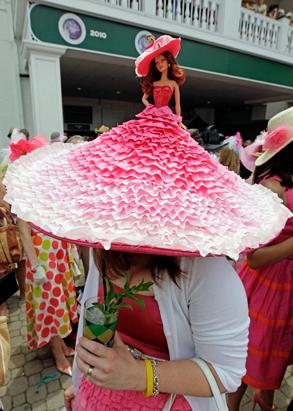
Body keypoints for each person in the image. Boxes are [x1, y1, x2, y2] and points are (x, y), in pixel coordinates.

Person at [3, 35, 291, 411]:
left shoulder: (204, 270)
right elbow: (94, 328)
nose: (135, 207)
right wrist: (81, 383)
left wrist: (140, 376)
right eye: (126, 191)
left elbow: (226, 371)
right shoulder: (106, 241)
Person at [228, 106, 293, 411]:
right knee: (248, 359)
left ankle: (264, 396)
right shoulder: (271, 187)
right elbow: (254, 258)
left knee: (276, 351)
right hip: (268, 286)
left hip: (286, 286)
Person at [9, 136, 78, 376]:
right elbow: (24, 231)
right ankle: (57, 352)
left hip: (57, 258)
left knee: (60, 303)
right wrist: (36, 265)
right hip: (42, 260)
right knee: (50, 306)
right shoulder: (22, 192)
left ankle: (60, 344)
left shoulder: (45, 188)